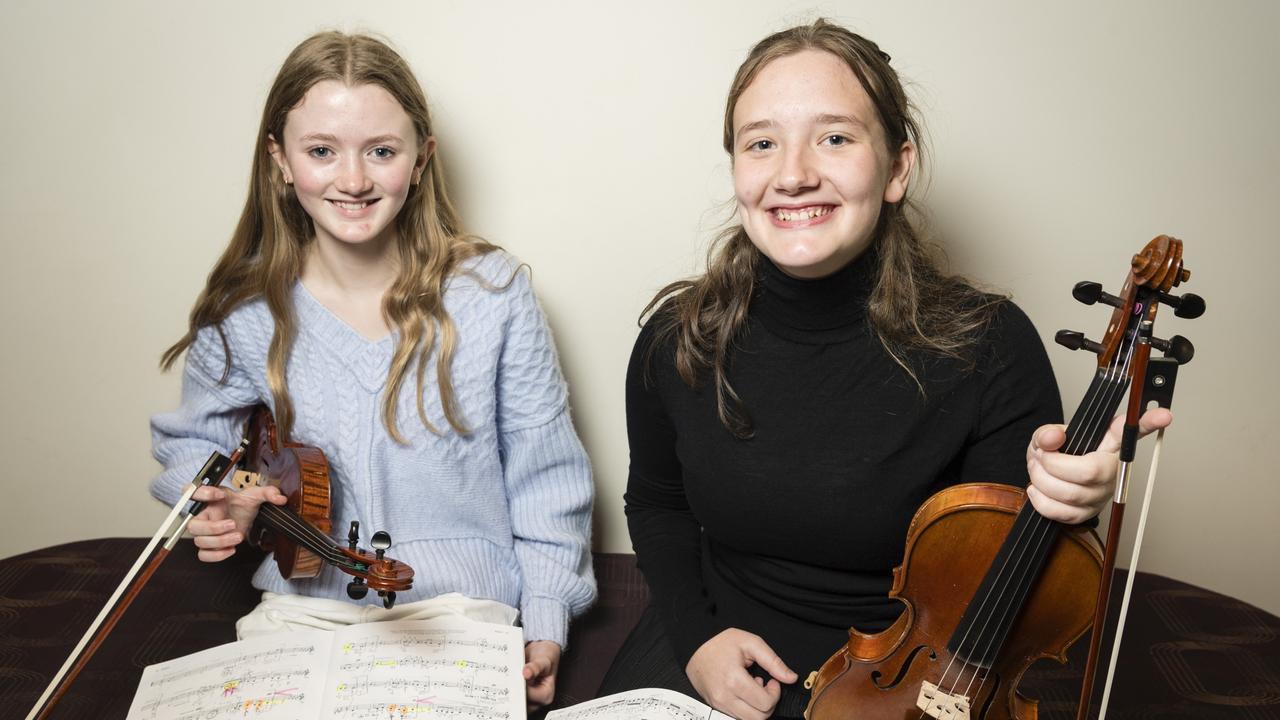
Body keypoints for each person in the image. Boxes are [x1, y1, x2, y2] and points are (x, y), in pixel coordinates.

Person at [599, 19, 1170, 720]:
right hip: (712, 645)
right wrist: (697, 642)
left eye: (835, 137)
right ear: (738, 170)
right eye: (762, 143)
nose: (792, 174)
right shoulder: (675, 338)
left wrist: (1066, 505)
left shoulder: (989, 345)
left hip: (908, 681)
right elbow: (656, 503)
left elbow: (1008, 591)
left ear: (897, 167)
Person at [148, 31, 595, 710]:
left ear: (420, 159)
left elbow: (547, 478)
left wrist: (547, 618)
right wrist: (226, 501)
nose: (352, 180)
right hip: (298, 612)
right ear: (279, 160)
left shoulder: (494, 294)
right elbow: (193, 451)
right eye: (321, 151)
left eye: (381, 152)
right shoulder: (244, 312)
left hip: (461, 615)